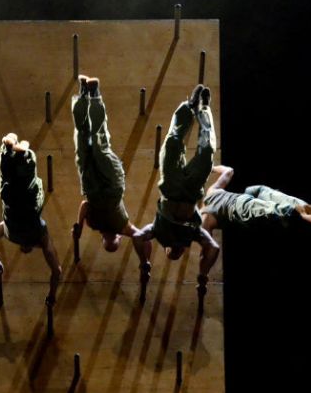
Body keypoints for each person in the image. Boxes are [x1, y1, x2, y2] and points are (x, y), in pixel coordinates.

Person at [134, 84, 219, 290]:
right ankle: (205, 109)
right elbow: (213, 248)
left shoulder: (160, 233)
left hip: (170, 187)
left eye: (170, 252)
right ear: (182, 251)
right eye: (177, 254)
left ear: (165, 249)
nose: (175, 251)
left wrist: (144, 262)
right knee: (206, 153)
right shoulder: (193, 236)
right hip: (190, 192)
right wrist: (203, 273)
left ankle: (189, 107)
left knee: (172, 145)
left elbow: (138, 237)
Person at [70, 75, 152, 283]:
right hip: (111, 185)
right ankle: (94, 94)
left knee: (83, 140)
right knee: (99, 144)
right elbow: (140, 236)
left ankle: (83, 92)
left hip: (92, 187)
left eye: (108, 241)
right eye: (113, 240)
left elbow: (85, 205)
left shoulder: (95, 224)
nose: (110, 237)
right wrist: (144, 261)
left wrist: (79, 226)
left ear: (103, 240)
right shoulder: (121, 227)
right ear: (117, 238)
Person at [0, 134, 62, 306]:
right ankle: (8, 150)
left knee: (29, 182)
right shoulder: (9, 233)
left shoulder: (41, 238)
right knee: (7, 179)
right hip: (10, 203)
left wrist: (52, 295)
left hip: (29, 206)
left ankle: (23, 154)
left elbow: (57, 271)